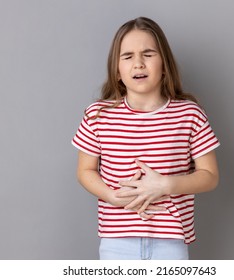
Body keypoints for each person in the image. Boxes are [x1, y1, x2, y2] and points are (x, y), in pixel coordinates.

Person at [72, 17, 220, 260]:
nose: (138, 64)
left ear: (164, 64)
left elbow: (210, 176)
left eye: (148, 54)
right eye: (128, 56)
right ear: (117, 70)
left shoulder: (189, 114)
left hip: (170, 242)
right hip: (116, 242)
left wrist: (166, 185)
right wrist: (111, 196)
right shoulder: (98, 115)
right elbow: (85, 171)